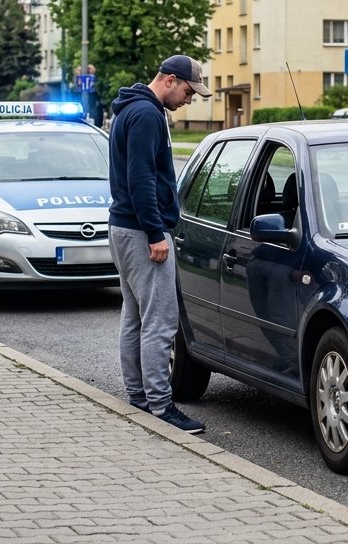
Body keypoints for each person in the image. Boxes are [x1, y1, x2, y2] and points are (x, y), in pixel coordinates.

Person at [108, 54, 211, 434]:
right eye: (187, 91)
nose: (189, 99)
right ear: (169, 80)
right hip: (141, 232)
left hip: (122, 227)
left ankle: (138, 394)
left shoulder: (129, 110)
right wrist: (155, 232)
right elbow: (141, 179)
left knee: (134, 314)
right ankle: (161, 405)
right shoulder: (149, 116)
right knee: (161, 321)